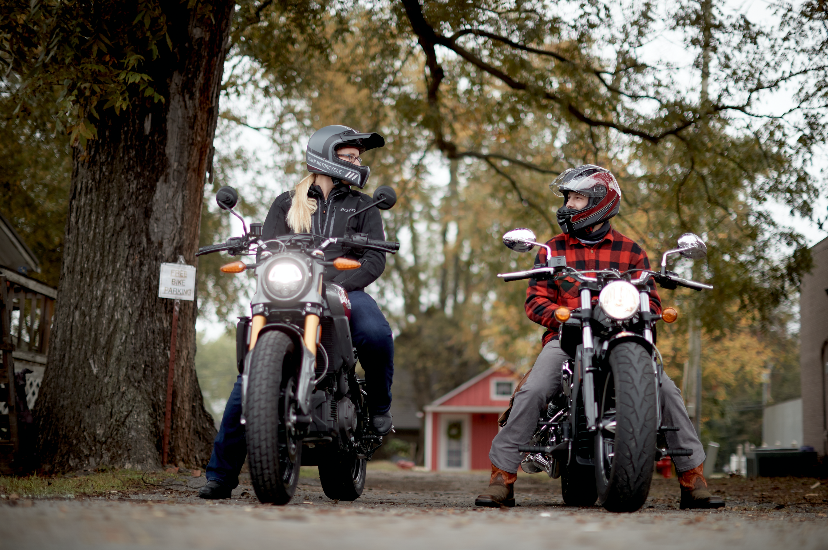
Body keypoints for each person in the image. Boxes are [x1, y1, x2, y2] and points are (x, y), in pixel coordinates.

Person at [475, 164, 725, 510]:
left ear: (599, 202)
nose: (568, 205)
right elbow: (535, 300)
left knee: (666, 389)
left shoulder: (632, 251)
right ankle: (502, 478)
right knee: (533, 390)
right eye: (568, 198)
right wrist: (560, 317)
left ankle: (692, 477)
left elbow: (650, 298)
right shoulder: (551, 249)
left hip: (620, 339)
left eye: (576, 198)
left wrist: (645, 312)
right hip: (565, 340)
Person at [199, 125, 395, 499]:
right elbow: (270, 249)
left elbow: (374, 259)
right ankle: (220, 476)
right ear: (326, 154)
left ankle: (380, 407)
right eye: (349, 156)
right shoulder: (286, 203)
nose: (356, 163)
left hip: (344, 289)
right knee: (248, 378)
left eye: (358, 158)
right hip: (291, 292)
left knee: (376, 332)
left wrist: (339, 282)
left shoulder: (363, 204)